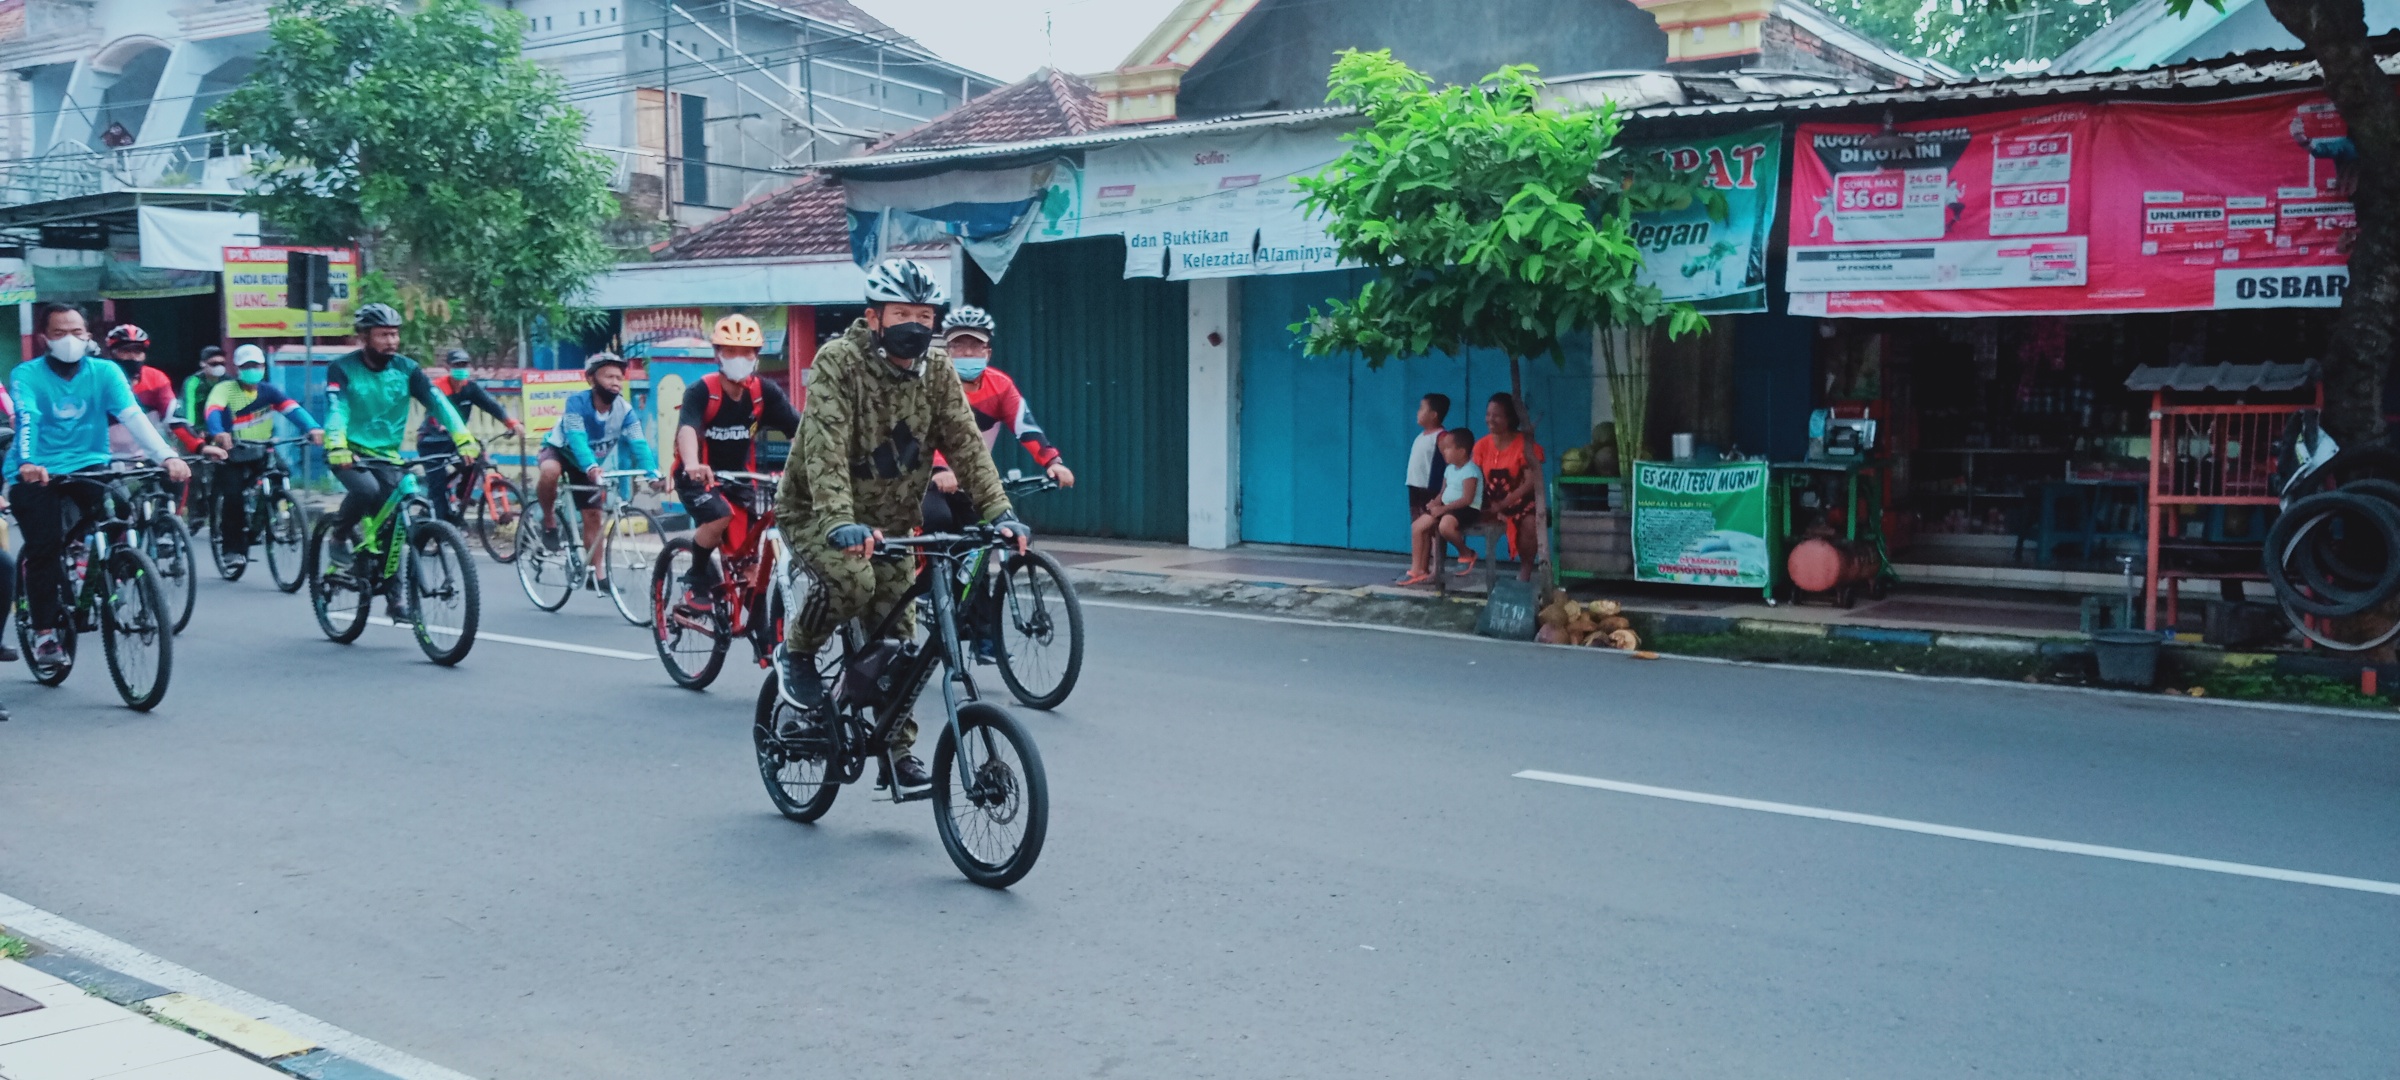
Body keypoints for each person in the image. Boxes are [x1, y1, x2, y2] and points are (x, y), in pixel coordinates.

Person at [778, 257, 1030, 790]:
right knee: (853, 582)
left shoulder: (937, 372)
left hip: (892, 524)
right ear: (875, 318)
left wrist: (999, 511)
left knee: (902, 638)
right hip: (817, 514)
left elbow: (965, 443)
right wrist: (839, 521)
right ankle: (797, 649)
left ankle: (897, 751)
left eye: (924, 314)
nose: (915, 324)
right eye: (902, 314)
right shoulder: (838, 362)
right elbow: (823, 448)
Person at [7, 302, 191, 673]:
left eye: (77, 332)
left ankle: (107, 567)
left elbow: (132, 416)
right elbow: (28, 418)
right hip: (35, 470)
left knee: (120, 512)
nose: (69, 340)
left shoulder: (106, 372)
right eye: (59, 333)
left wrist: (166, 455)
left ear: (88, 336)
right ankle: (44, 633)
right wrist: (27, 461)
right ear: (45, 338)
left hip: (90, 465)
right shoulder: (27, 374)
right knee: (43, 547)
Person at [323, 303, 480, 596]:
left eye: (394, 334)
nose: (391, 341)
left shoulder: (407, 369)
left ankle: (395, 598)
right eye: (383, 335)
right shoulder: (342, 368)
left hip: (387, 456)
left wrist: (463, 438)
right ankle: (339, 536)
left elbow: (439, 403)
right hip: (349, 451)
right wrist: (337, 445)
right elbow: (337, 409)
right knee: (366, 491)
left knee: (395, 525)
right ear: (364, 337)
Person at [673, 314, 799, 610]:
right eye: (730, 351)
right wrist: (692, 463)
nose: (738, 358)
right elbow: (687, 428)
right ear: (718, 354)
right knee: (719, 515)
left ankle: (764, 643)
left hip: (740, 480)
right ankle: (697, 575)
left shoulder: (763, 393)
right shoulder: (701, 391)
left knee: (750, 566)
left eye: (746, 352)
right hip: (697, 478)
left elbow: (801, 430)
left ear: (756, 357)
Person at [919, 305, 1075, 534]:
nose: (968, 353)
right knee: (938, 519)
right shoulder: (932, 383)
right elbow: (924, 432)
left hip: (974, 478)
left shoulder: (1000, 386)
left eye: (975, 346)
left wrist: (1053, 463)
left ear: (988, 352)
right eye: (959, 346)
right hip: (927, 478)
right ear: (947, 351)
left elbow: (1026, 427)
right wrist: (940, 469)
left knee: (996, 530)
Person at [534, 352, 660, 582]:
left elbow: (639, 443)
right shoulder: (576, 403)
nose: (615, 383)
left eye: (619, 378)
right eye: (608, 377)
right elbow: (576, 438)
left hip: (588, 464)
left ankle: (598, 575)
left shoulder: (625, 411)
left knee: (594, 516)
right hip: (562, 450)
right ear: (591, 379)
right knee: (550, 471)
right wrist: (590, 466)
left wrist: (652, 473)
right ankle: (549, 522)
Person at [203, 344, 325, 560]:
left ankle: (268, 519)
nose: (253, 369)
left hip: (262, 449)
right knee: (234, 497)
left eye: (256, 365)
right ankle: (232, 549)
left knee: (282, 474)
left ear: (263, 367)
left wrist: (313, 427)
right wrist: (219, 432)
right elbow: (213, 410)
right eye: (247, 366)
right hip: (232, 452)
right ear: (238, 368)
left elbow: (292, 409)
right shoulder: (225, 389)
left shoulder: (268, 391)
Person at [421, 349, 523, 526]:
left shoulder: (470, 388)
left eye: (464, 365)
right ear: (448, 367)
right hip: (432, 441)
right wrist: (441, 425)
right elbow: (433, 412)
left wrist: (512, 423)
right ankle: (442, 529)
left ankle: (462, 495)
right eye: (457, 365)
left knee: (476, 460)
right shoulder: (439, 388)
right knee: (437, 488)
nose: (461, 369)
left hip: (458, 440)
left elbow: (491, 405)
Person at [1472, 392, 1545, 581]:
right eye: (1488, 414)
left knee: (1529, 523)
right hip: (1492, 502)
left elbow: (1530, 482)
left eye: (1496, 415)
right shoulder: (1481, 446)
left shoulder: (1525, 446)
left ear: (1510, 418)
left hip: (1520, 503)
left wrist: (1503, 505)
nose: (1490, 419)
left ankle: (1526, 570)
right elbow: (1477, 478)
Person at [102, 324, 202, 460]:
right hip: (105, 457)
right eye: (125, 351)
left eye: (137, 352)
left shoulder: (156, 378)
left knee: (178, 477)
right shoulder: (99, 379)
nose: (132, 357)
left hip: (149, 456)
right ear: (111, 353)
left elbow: (174, 418)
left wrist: (199, 446)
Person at [1400, 428, 1483, 587]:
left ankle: (1466, 553)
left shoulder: (1471, 471)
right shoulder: (1449, 469)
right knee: (1417, 526)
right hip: (1446, 508)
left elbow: (1467, 499)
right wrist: (1435, 503)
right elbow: (1443, 492)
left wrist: (1443, 509)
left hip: (1466, 509)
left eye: (1447, 448)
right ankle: (1417, 570)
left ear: (1461, 451)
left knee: (1445, 526)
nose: (1443, 452)